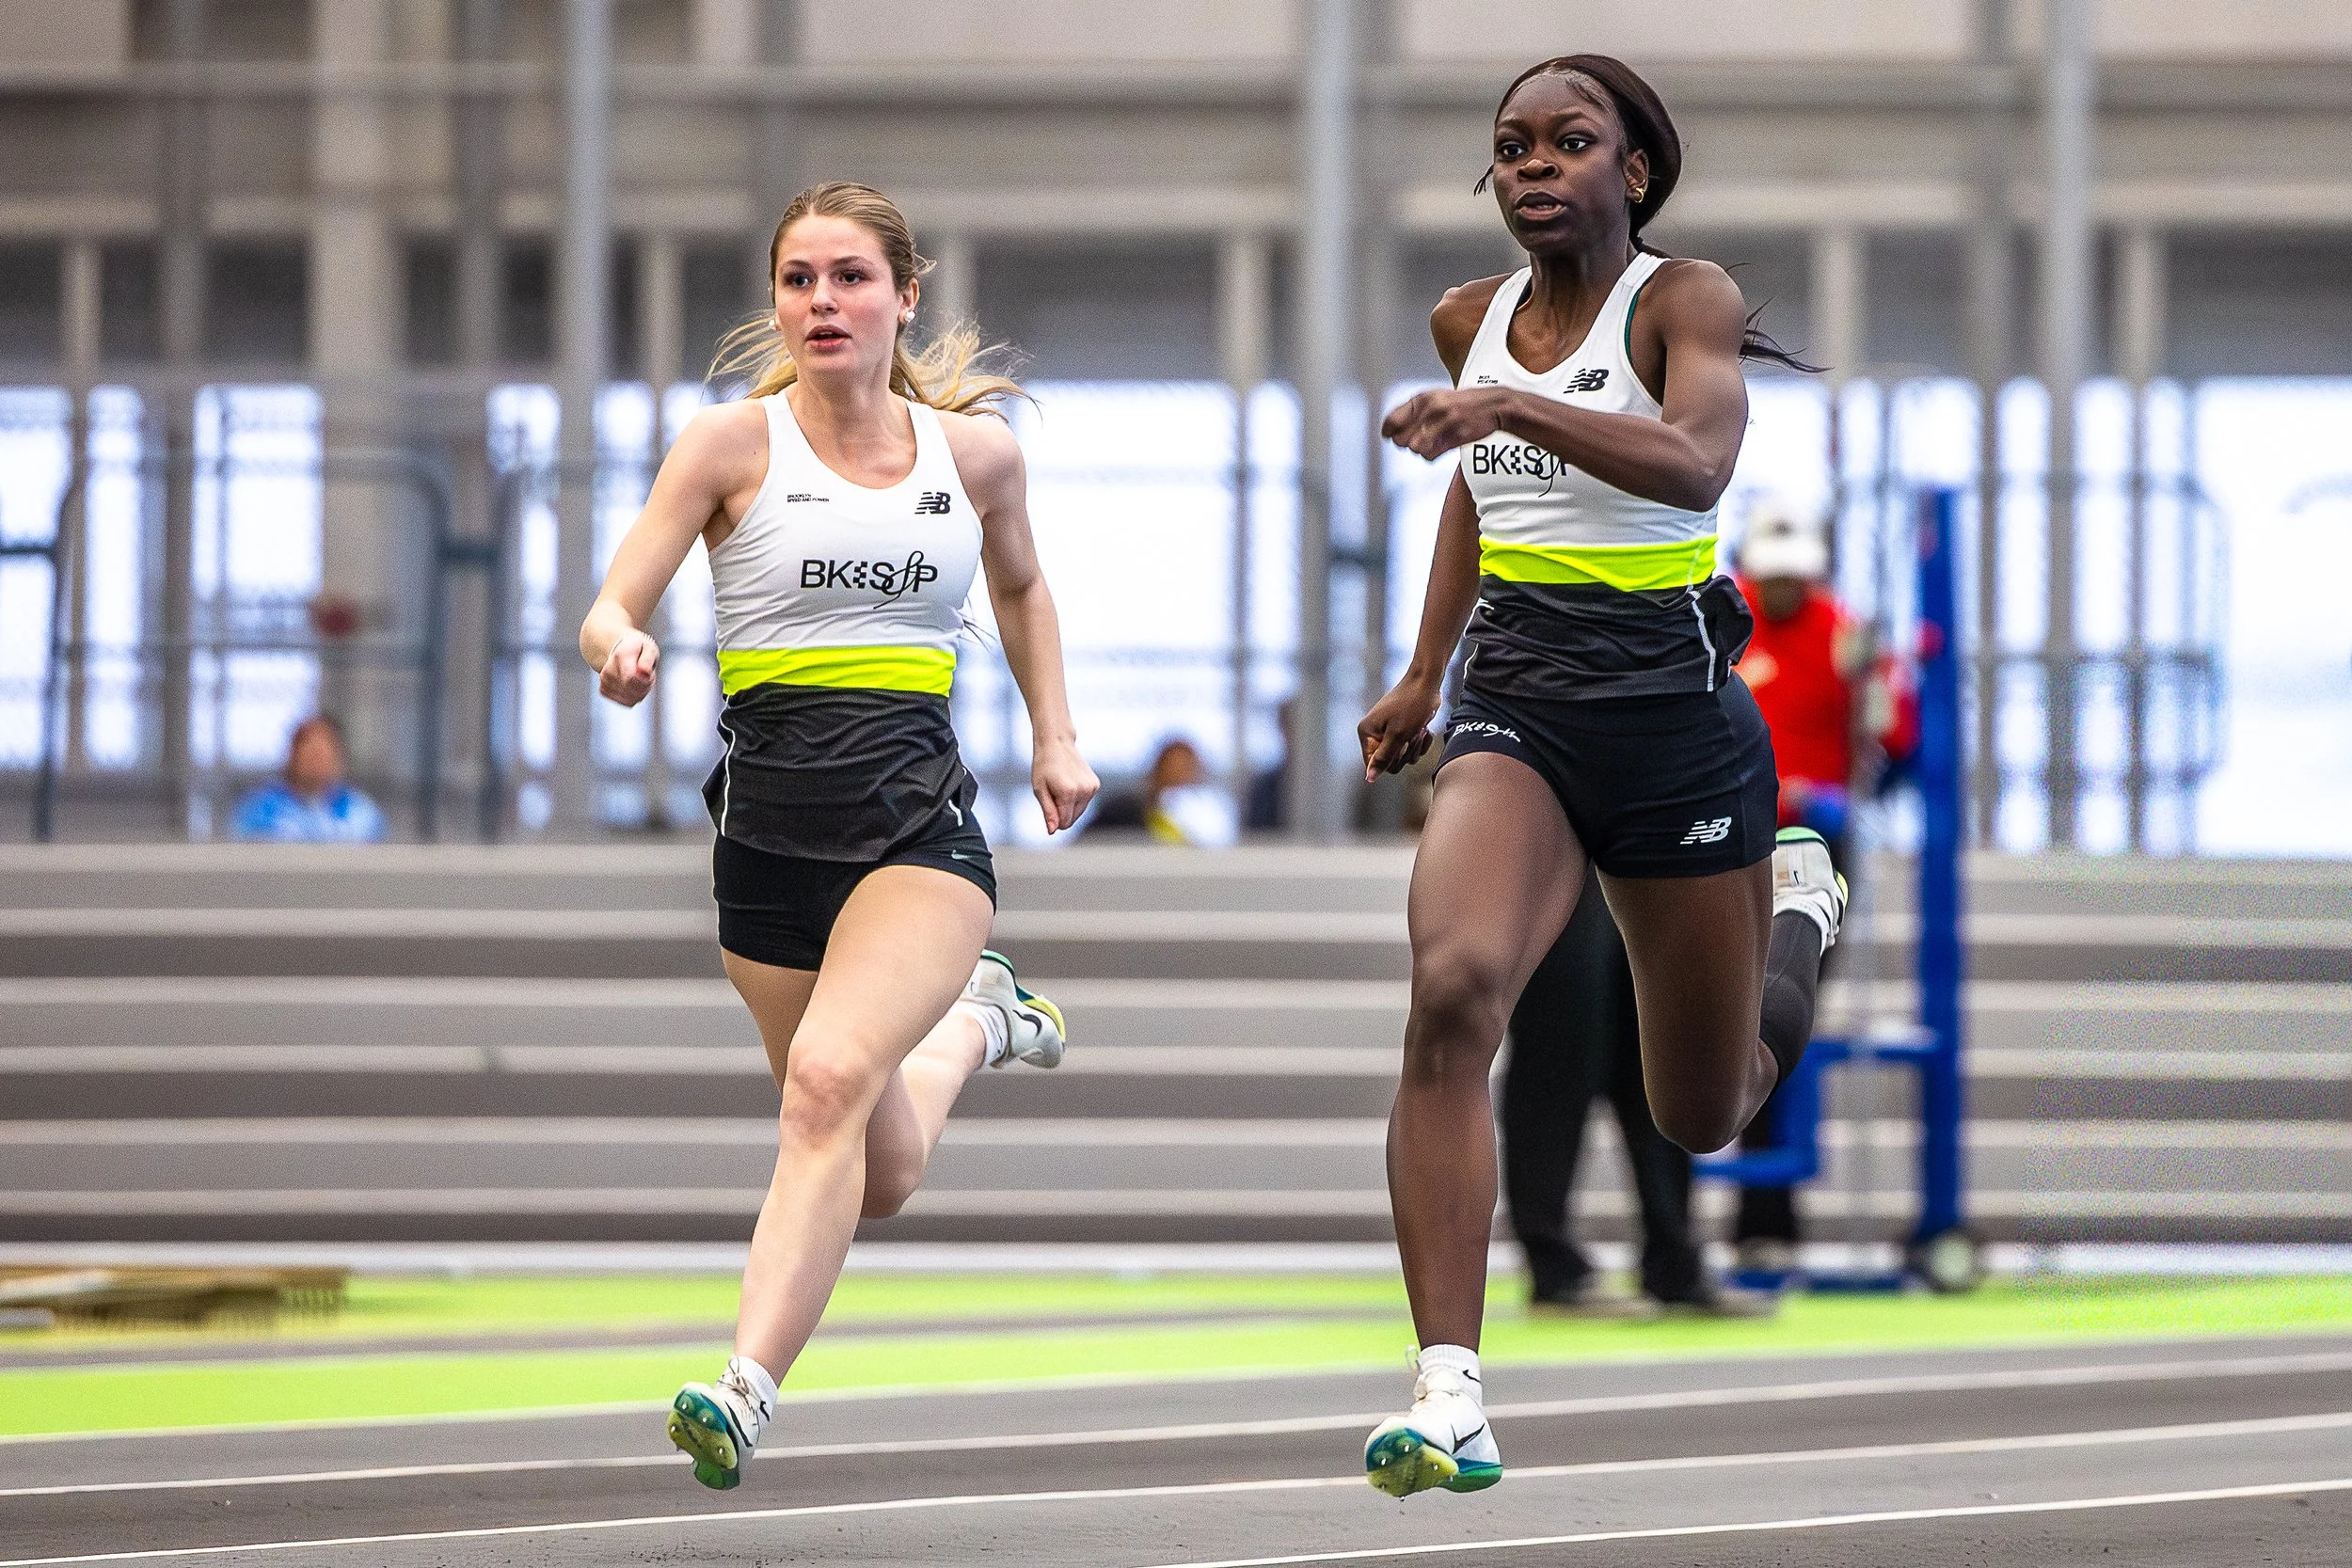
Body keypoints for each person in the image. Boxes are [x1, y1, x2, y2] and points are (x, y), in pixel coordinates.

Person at [1354, 55, 1846, 1498]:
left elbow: (1694, 462)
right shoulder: (1470, 320)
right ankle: (1449, 1390)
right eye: (1512, 147)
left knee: (1706, 1106)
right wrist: (1425, 671)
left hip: (1675, 718)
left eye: (1569, 143)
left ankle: (1798, 911)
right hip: (1519, 701)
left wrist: (1506, 411)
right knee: (1454, 989)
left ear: (1631, 170)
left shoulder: (1684, 300)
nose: (1534, 166)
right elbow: (1474, 498)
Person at [579, 181, 1098, 1491]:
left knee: (821, 1085)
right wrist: (620, 647)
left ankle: (742, 1386)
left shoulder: (972, 456)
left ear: (903, 296)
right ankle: (977, 1023)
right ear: (777, 302)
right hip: (766, 843)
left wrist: (1055, 735)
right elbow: (610, 603)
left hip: (916, 833)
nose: (824, 301)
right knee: (878, 1164)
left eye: (851, 277)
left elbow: (1023, 584)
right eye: (800, 279)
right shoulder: (727, 446)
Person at [1727, 499, 1914, 1272]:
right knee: (1725, 1018)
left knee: (1778, 1014)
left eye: (1793, 577)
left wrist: (1876, 693)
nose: (1781, 589)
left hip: (1812, 846)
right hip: (1727, 842)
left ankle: (1766, 1218)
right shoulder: (1721, 619)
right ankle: (1741, 1216)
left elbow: (1897, 739)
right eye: (1771, 575)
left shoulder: (1843, 633)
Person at [1502, 864, 1773, 1320]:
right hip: (1559, 847)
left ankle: (1673, 1257)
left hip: (1640, 843)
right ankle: (1552, 1263)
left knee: (1654, 1032)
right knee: (1566, 1023)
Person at [230, 714, 386, 842]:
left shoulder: (362, 813)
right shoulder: (261, 810)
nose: (317, 761)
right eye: (310, 753)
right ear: (293, 756)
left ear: (340, 759)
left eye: (324, 753)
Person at [1086, 736, 1212, 843]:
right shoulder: (1124, 810)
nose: (1183, 774)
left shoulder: (1172, 815)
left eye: (1188, 767)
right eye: (1179, 766)